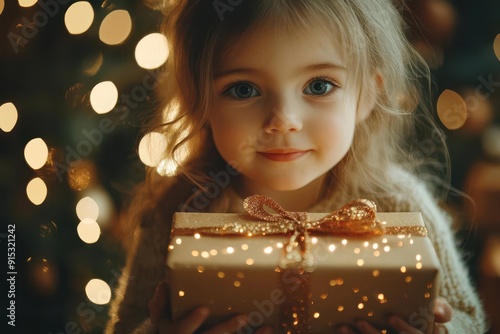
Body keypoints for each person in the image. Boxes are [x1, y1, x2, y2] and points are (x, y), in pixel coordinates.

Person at [105, 0, 487, 333]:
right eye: (243, 89)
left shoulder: (400, 204)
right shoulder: (177, 209)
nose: (283, 119)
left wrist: (443, 329)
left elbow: (469, 317)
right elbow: (126, 325)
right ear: (200, 100)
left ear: (368, 94)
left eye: (319, 86)